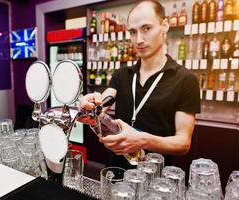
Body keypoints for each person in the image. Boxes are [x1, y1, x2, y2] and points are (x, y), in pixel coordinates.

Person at [80, 0, 201, 169]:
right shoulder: (122, 74)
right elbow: (104, 102)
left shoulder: (186, 80)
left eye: (146, 28)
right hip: (116, 172)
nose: (139, 39)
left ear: (164, 25)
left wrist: (141, 139)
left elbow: (183, 143)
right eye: (133, 32)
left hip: (156, 178)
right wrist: (91, 105)